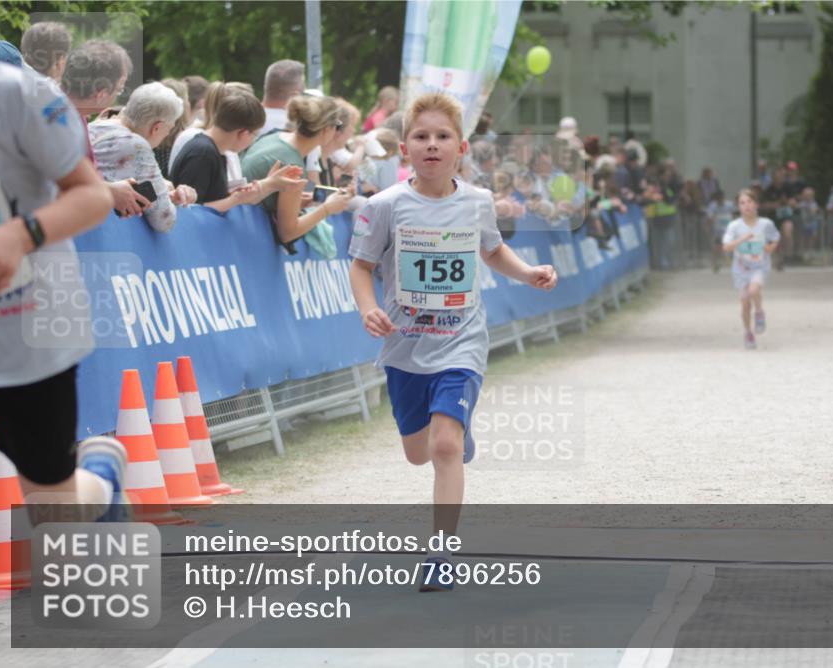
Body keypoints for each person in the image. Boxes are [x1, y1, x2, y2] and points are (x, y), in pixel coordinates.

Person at [347, 93, 557, 591]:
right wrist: (367, 308)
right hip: (405, 346)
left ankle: (441, 553)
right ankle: (453, 431)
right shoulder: (385, 207)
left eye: (442, 137)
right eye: (421, 137)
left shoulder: (478, 202)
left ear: (460, 148)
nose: (432, 145)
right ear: (405, 149)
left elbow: (493, 249)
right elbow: (359, 266)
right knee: (417, 452)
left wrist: (527, 273)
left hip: (461, 340)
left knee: (444, 446)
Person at [0, 60, 128, 523]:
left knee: (54, 509)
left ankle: (100, 477)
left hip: (24, 328)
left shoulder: (19, 95)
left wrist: (19, 235)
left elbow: (94, 196)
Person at [241, 93, 353, 253]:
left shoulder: (274, 137)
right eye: (337, 126)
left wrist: (297, 203)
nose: (336, 131)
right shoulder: (292, 165)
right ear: (327, 129)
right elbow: (287, 233)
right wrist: (327, 208)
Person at [171, 87, 304, 211]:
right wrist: (236, 199)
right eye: (254, 135)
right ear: (243, 133)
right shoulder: (203, 153)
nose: (253, 140)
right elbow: (190, 210)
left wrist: (268, 185)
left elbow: (213, 199)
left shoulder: (214, 151)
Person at [61, 39, 153, 219]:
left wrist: (116, 189)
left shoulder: (73, 115)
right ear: (101, 94)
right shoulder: (53, 120)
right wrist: (110, 191)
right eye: (118, 90)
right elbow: (47, 185)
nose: (117, 97)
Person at [89, 82, 197, 232]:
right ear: (157, 127)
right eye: (169, 129)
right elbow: (164, 220)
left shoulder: (99, 124)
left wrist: (166, 195)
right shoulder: (135, 145)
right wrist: (172, 200)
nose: (166, 135)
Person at [721, 188, 780, 350]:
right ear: (738, 207)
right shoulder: (734, 226)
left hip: (760, 266)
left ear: (756, 204)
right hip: (741, 269)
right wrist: (742, 238)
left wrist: (770, 248)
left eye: (749, 202)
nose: (746, 206)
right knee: (745, 302)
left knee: (754, 290)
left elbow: (775, 238)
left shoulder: (766, 224)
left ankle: (759, 312)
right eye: (742, 203)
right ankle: (748, 332)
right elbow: (726, 247)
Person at [705, 189, 736, 273]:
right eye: (718, 199)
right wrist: (708, 227)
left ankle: (733, 263)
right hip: (718, 230)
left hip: (728, 230)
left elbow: (733, 215)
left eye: (721, 198)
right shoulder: (712, 206)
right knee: (716, 247)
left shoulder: (729, 205)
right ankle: (715, 264)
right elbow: (710, 217)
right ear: (716, 199)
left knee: (730, 246)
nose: (720, 200)